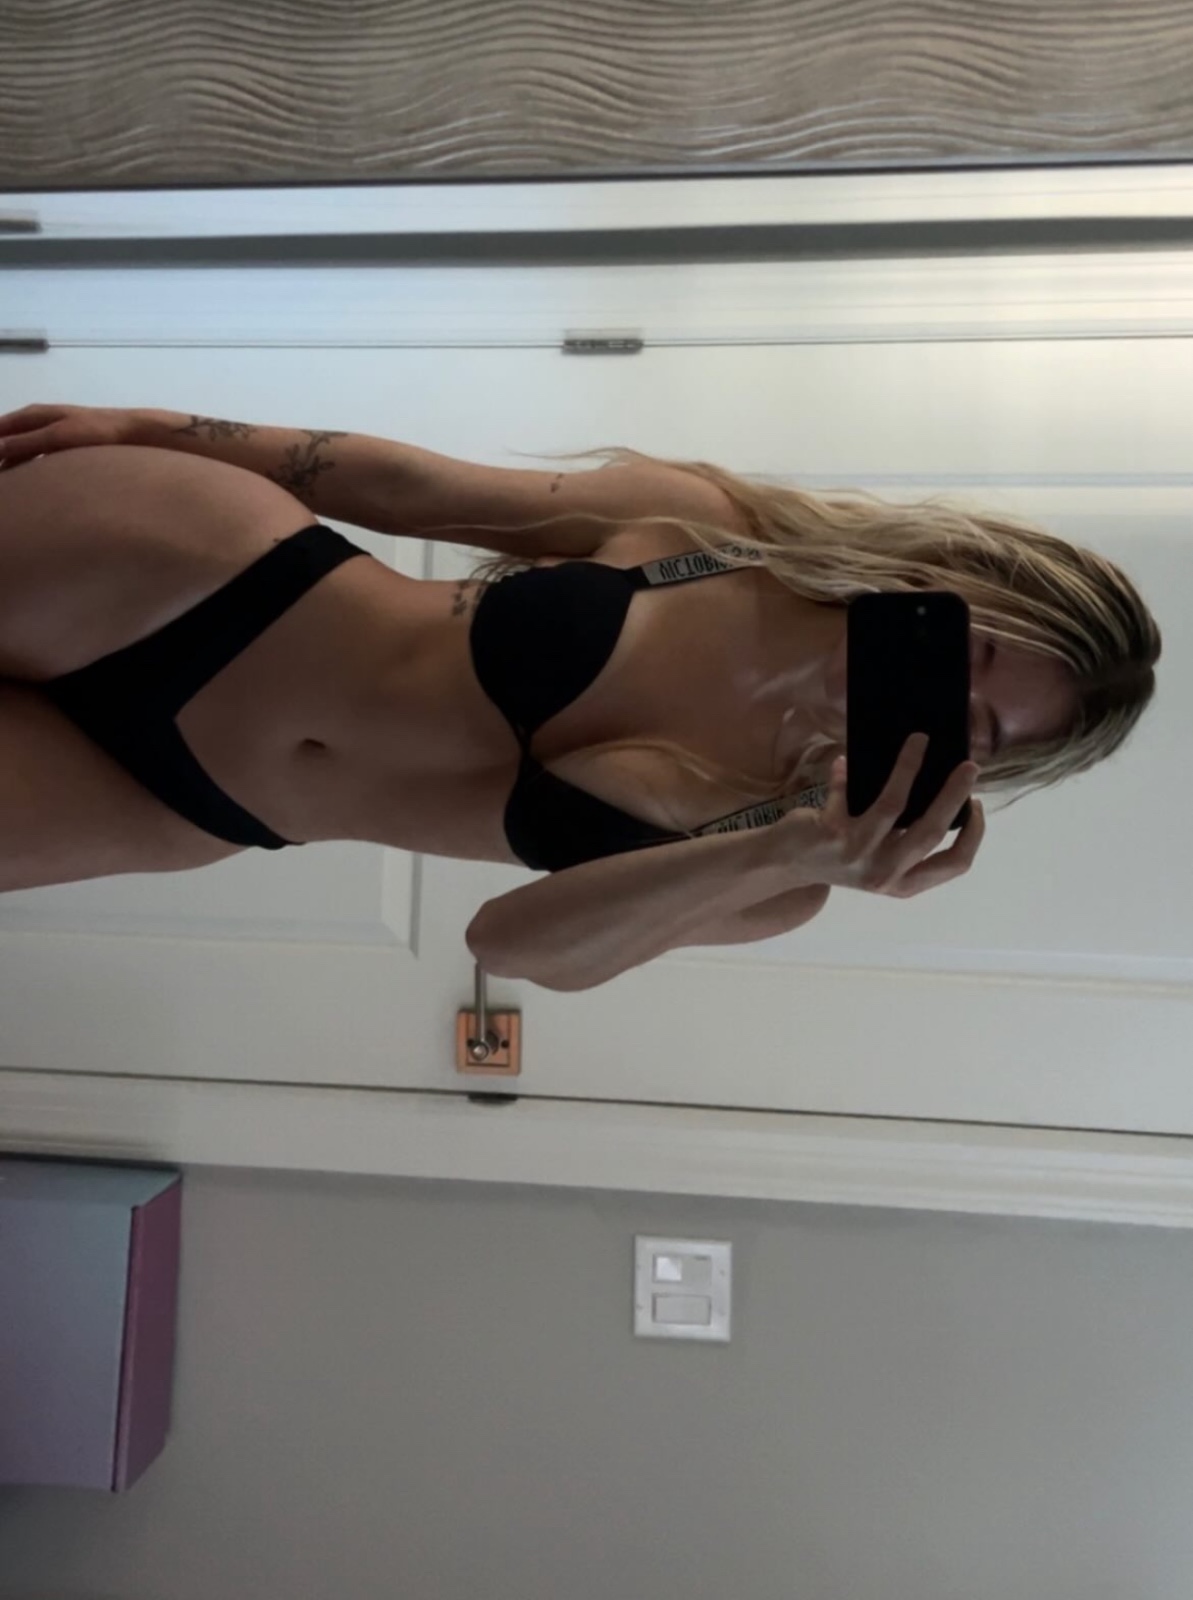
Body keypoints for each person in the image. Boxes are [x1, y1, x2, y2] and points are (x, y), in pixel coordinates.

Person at [0, 402, 1160, 990]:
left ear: (979, 764)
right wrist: (143, 428)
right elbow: (417, 489)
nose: (940, 688)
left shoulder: (780, 877)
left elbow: (511, 946)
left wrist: (785, 846)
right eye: (971, 647)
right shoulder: (721, 537)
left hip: (189, 802)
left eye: (976, 721)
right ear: (956, 585)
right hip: (204, 573)